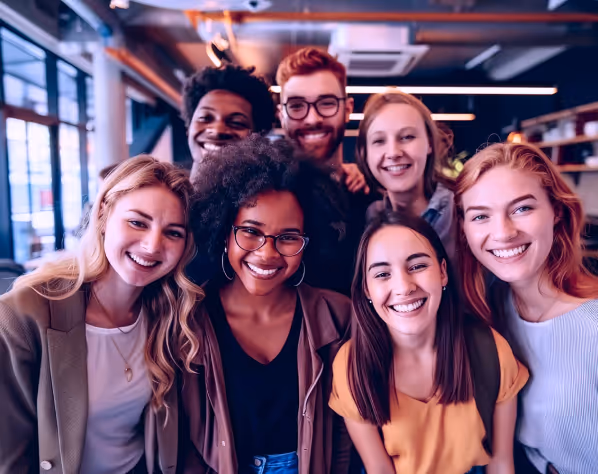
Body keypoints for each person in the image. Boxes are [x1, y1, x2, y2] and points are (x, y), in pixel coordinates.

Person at [0, 156, 203, 474]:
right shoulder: (24, 313)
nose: (152, 245)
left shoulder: (169, 312)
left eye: (173, 233)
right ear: (105, 213)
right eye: (138, 222)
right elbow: (9, 458)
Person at [180, 135, 352, 474]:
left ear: (307, 243)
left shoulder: (337, 316)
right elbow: (184, 438)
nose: (267, 253)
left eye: (288, 237)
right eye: (250, 231)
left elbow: (343, 431)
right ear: (224, 231)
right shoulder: (189, 319)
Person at [329, 209, 529, 474]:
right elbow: (378, 468)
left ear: (443, 272)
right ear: (366, 289)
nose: (404, 287)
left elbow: (502, 463)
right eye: (382, 274)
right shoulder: (351, 364)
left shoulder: (490, 350)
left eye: (418, 266)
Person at [455, 142, 598, 474]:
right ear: (464, 231)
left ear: (557, 211)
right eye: (480, 216)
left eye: (522, 209)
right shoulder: (491, 314)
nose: (503, 232)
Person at [356, 91, 458, 260]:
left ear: (430, 143)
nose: (393, 153)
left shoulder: (462, 212)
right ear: (365, 152)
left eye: (407, 137)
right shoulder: (370, 217)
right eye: (379, 141)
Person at [276, 47, 369, 195]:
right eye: (297, 106)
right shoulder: (264, 199)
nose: (313, 120)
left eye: (326, 103)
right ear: (281, 116)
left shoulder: (372, 200)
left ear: (347, 110)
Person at [182, 64, 276, 179]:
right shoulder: (162, 193)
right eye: (205, 118)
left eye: (236, 123)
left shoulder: (273, 196)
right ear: (188, 128)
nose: (217, 131)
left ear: (257, 139)